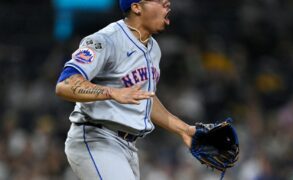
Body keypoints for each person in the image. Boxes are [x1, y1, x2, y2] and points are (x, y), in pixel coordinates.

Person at [55, 0, 195, 179]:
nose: (167, 3)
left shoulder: (154, 49)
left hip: (128, 147)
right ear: (136, 7)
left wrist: (183, 129)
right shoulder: (106, 40)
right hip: (96, 138)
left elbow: (144, 98)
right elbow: (65, 84)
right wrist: (111, 92)